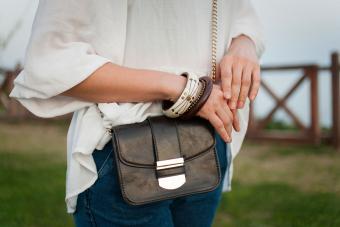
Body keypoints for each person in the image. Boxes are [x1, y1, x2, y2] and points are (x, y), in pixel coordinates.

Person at [9, 0, 265, 226]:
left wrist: (244, 43)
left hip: (207, 144)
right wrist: (183, 88)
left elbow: (242, 14)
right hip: (125, 155)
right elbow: (52, 61)